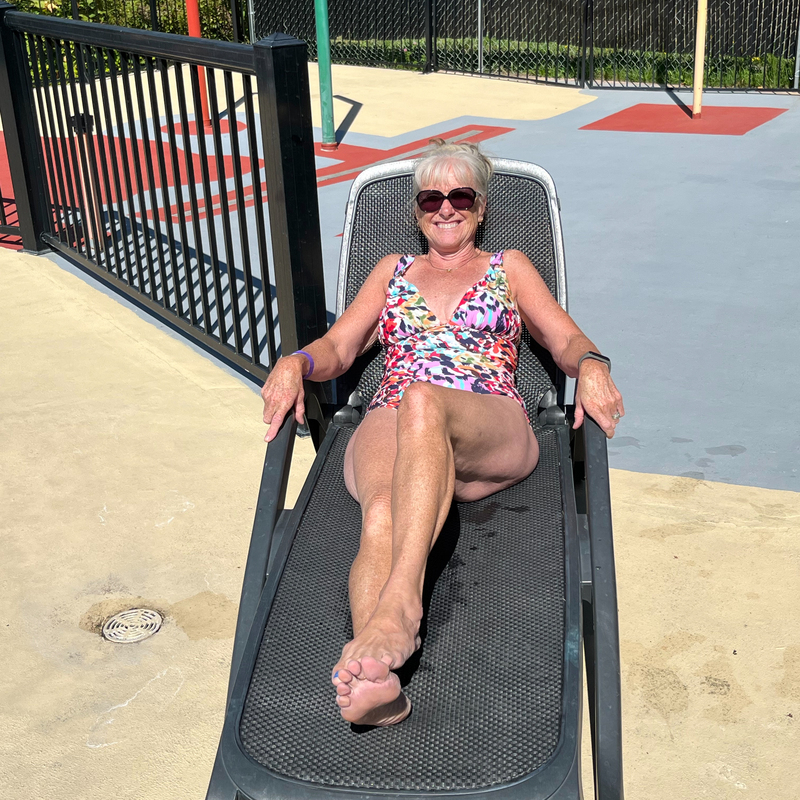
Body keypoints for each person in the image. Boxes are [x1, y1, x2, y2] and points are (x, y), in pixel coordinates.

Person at [260, 140, 624, 727]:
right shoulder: (392, 272)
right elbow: (339, 347)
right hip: (394, 415)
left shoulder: (509, 267)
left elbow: (564, 338)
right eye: (432, 197)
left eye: (461, 196)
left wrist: (593, 364)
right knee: (382, 508)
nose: (446, 207)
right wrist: (295, 362)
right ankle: (379, 683)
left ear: (481, 207)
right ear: (417, 208)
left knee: (424, 399)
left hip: (488, 419)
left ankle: (401, 607)